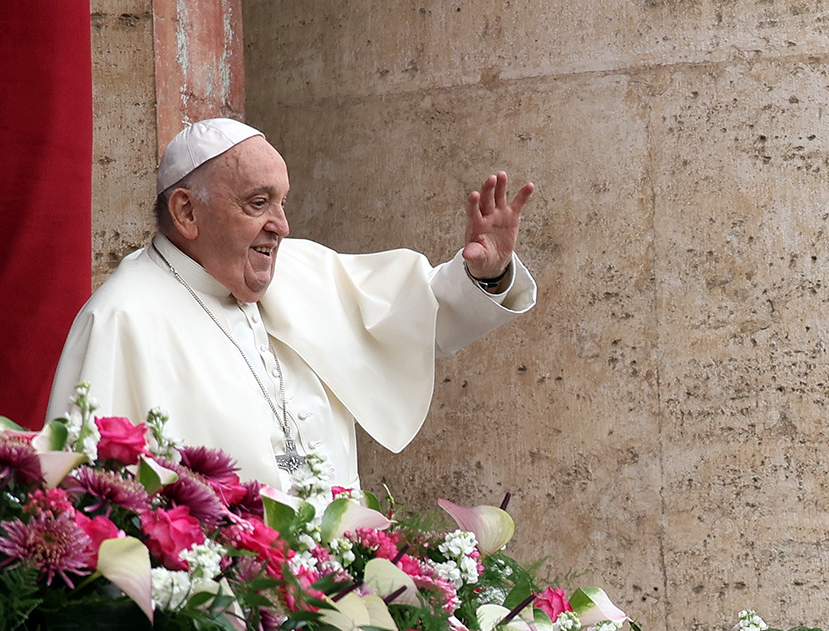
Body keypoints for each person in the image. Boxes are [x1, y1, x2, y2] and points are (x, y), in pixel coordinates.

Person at [47, 118, 536, 493]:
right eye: (258, 203)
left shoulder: (301, 269)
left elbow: (420, 319)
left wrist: (485, 273)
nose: (280, 224)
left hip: (336, 592)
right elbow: (87, 497)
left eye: (282, 202)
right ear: (186, 211)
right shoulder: (122, 319)